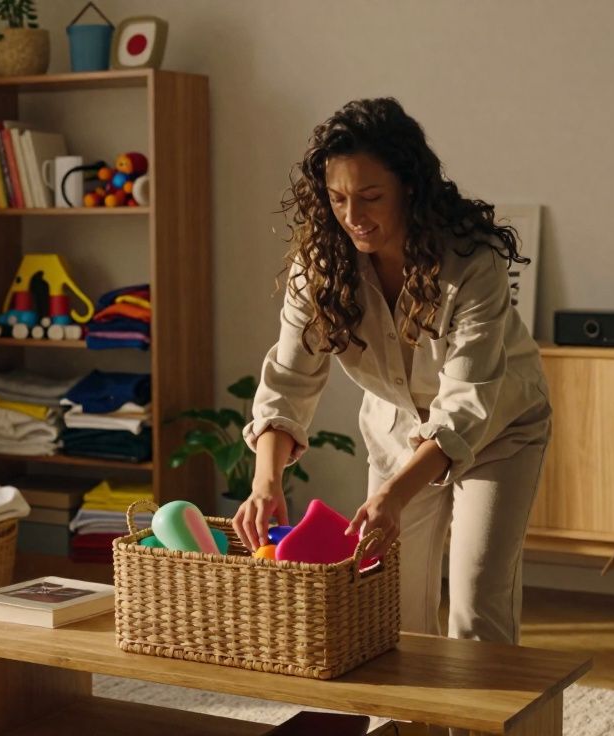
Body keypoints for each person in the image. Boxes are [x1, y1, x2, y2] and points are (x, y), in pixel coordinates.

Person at [234, 97, 551, 644]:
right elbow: (288, 380)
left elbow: (465, 402)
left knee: (476, 603)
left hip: (499, 429)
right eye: (337, 199)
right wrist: (266, 481)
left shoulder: (472, 261)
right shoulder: (322, 266)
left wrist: (393, 497)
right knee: (392, 613)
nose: (353, 216)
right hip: (398, 431)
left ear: (409, 187)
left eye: (371, 196)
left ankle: (479, 728)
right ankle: (409, 729)